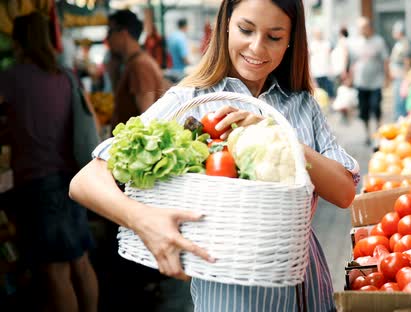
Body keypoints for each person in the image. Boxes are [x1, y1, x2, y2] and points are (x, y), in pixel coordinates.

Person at [69, 0, 359, 311]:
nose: (257, 48)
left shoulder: (302, 104)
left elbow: (344, 193)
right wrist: (142, 219)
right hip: (230, 292)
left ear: (291, 40)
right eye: (246, 30)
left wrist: (279, 136)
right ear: (225, 26)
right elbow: (84, 181)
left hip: (308, 284)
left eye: (274, 37)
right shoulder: (190, 101)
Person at [0, 12, 98, 312]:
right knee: (80, 260)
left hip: (38, 182)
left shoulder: (11, 77)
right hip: (74, 177)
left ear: (17, 41)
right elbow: (88, 116)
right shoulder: (66, 74)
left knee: (55, 270)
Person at [106, 10, 168, 132]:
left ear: (123, 33)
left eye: (110, 32)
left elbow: (147, 117)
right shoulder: (134, 62)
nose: (107, 38)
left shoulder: (139, 65)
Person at [347, 17, 390, 145]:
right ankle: (367, 134)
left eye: (364, 27)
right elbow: (352, 62)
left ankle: (377, 133)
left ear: (369, 27)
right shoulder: (355, 43)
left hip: (376, 82)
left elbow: (385, 60)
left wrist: (387, 77)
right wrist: (349, 77)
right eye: (360, 28)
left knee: (376, 108)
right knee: (363, 111)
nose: (362, 30)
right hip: (361, 83)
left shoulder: (378, 41)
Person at [389, 21, 411, 122]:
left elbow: (407, 60)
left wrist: (407, 76)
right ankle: (399, 118)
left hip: (401, 75)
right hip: (397, 75)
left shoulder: (405, 43)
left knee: (401, 99)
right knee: (398, 99)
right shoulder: (399, 43)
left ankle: (401, 119)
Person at [309, 28, 334, 99]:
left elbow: (330, 58)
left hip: (326, 72)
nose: (318, 35)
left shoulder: (327, 43)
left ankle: (329, 108)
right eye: (316, 33)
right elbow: (308, 59)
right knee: (317, 95)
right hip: (315, 73)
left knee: (329, 94)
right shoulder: (312, 44)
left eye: (319, 33)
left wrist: (331, 70)